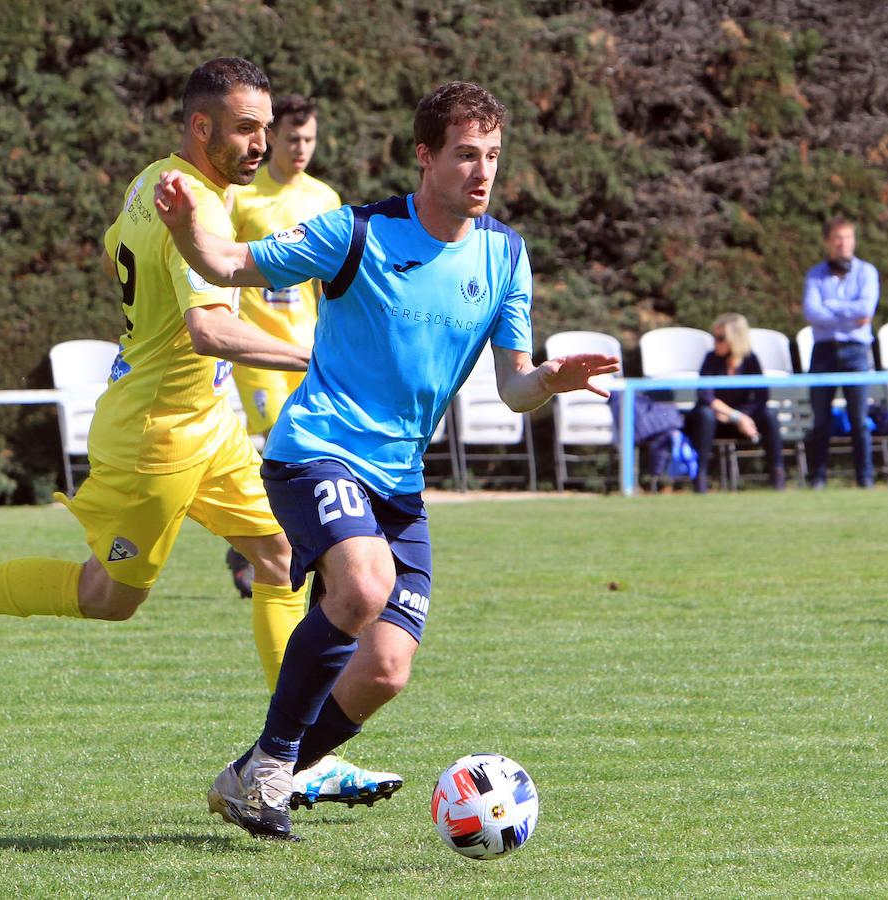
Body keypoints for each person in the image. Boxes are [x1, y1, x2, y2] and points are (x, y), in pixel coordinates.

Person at [0, 58, 403, 811]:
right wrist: (319, 356)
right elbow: (208, 329)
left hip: (207, 424)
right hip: (155, 438)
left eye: (266, 130)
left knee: (280, 557)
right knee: (106, 598)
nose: (261, 144)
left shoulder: (156, 182)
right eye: (246, 129)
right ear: (199, 127)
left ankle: (293, 757)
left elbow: (128, 252)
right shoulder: (199, 208)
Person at [154, 80, 619, 839]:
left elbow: (512, 387)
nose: (482, 173)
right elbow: (230, 261)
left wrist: (552, 382)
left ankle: (247, 777)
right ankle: (277, 768)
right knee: (365, 585)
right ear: (425, 156)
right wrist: (185, 231)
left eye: (493, 157)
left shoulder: (505, 255)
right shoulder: (358, 234)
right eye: (466, 155)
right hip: (317, 451)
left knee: (384, 671)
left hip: (397, 483)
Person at [223, 93, 342, 602]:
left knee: (312, 453)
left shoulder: (325, 199)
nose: (301, 149)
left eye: (309, 140)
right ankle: (269, 551)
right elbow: (221, 267)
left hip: (310, 349)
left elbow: (332, 281)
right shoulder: (244, 197)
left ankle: (264, 550)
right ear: (274, 137)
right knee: (278, 448)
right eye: (292, 138)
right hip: (258, 351)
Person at [803, 216, 880, 489]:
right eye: (837, 238)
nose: (843, 243)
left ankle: (865, 478)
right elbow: (812, 313)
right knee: (820, 419)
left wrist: (832, 305)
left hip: (857, 352)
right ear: (828, 242)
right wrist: (848, 314)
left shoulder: (867, 272)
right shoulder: (815, 275)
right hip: (823, 352)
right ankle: (818, 478)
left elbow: (865, 311)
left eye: (847, 237)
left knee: (860, 420)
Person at [685, 313, 785, 492]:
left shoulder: (750, 360)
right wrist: (736, 416)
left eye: (720, 338)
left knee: (770, 414)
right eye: (714, 337)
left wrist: (744, 418)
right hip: (715, 421)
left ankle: (777, 477)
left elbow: (762, 395)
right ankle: (700, 479)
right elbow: (706, 396)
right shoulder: (711, 359)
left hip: (744, 422)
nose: (715, 342)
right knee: (705, 414)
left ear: (735, 339)